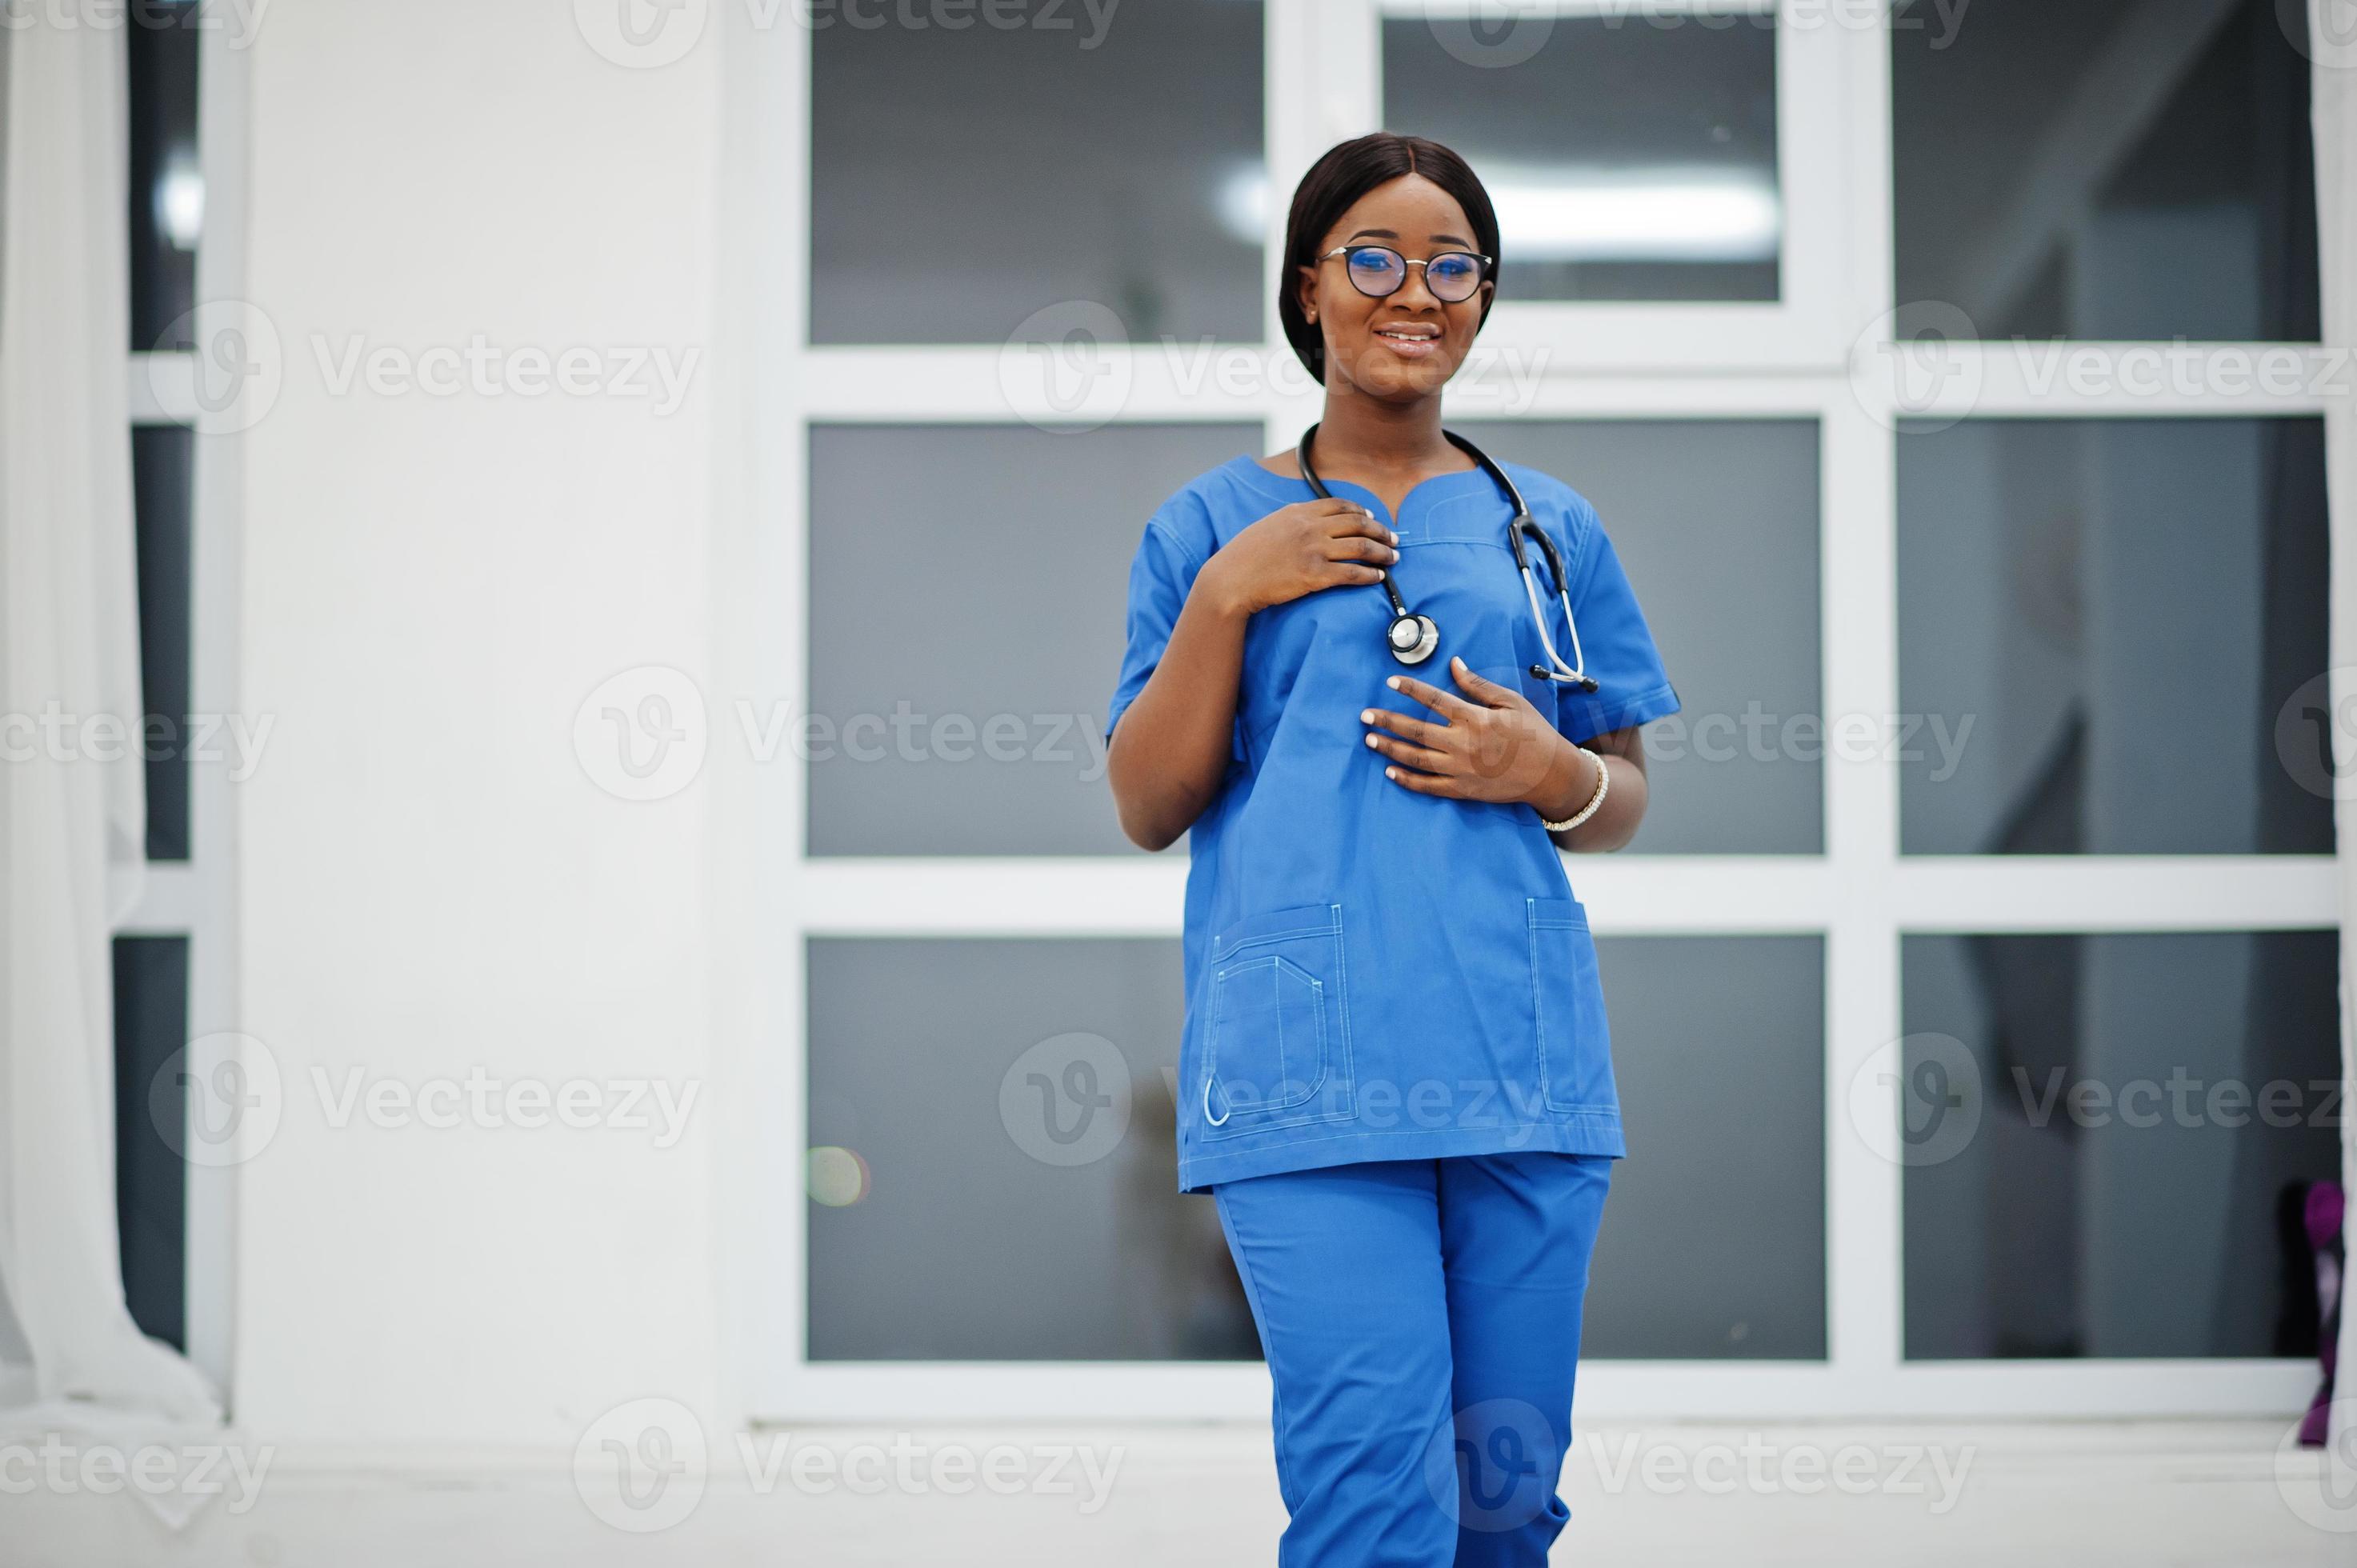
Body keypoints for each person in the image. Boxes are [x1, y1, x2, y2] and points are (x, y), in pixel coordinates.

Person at [1102, 132, 1681, 1566]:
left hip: (1520, 1067)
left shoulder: (1553, 528)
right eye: (1371, 258)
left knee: (1507, 1510)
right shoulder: (1206, 528)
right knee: (1372, 1508)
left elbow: (1620, 802)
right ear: (1308, 290)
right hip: (1307, 1083)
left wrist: (1547, 770)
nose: (1410, 292)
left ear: (1481, 299)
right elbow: (1146, 800)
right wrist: (1225, 602)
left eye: (1450, 266)